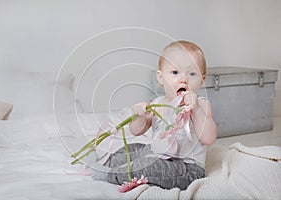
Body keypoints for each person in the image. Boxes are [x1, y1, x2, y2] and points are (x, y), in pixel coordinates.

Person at [91, 40, 217, 190]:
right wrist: (140, 116)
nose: (184, 79)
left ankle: (111, 174)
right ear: (161, 77)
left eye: (192, 74)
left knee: (148, 167)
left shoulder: (201, 105)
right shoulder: (157, 103)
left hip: (185, 166)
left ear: (202, 80)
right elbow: (136, 131)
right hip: (155, 152)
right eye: (175, 72)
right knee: (133, 149)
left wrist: (195, 109)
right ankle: (104, 162)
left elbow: (209, 138)